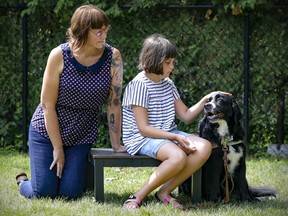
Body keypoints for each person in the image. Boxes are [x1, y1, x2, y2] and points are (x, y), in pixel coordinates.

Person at [15, 4, 125, 200]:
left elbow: (114, 102)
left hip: (81, 133)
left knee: (70, 194)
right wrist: (57, 148)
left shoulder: (113, 56)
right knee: (44, 193)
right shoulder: (59, 55)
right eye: (98, 31)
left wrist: (116, 145)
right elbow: (47, 105)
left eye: (105, 30)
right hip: (47, 131)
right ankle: (23, 182)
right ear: (82, 31)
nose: (104, 35)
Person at [122, 33, 230, 209]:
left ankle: (164, 191)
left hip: (168, 134)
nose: (172, 66)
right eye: (168, 62)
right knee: (178, 155)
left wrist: (206, 98)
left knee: (204, 146)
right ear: (155, 60)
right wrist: (175, 138)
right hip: (141, 138)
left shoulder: (168, 83)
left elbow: (186, 116)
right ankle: (139, 194)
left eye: (173, 62)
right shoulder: (139, 85)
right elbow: (143, 128)